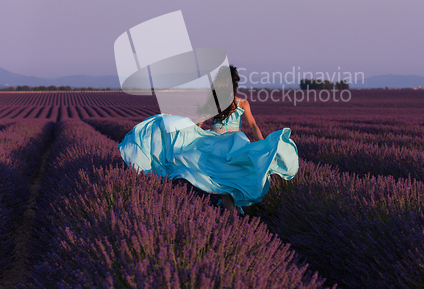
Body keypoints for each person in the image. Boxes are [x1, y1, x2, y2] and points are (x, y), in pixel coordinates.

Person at [117, 65, 299, 214]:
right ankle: (233, 215)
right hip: (234, 144)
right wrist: (262, 144)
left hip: (216, 145)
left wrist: (184, 132)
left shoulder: (215, 102)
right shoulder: (242, 103)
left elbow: (199, 123)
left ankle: (230, 214)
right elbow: (253, 127)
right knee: (232, 179)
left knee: (220, 180)